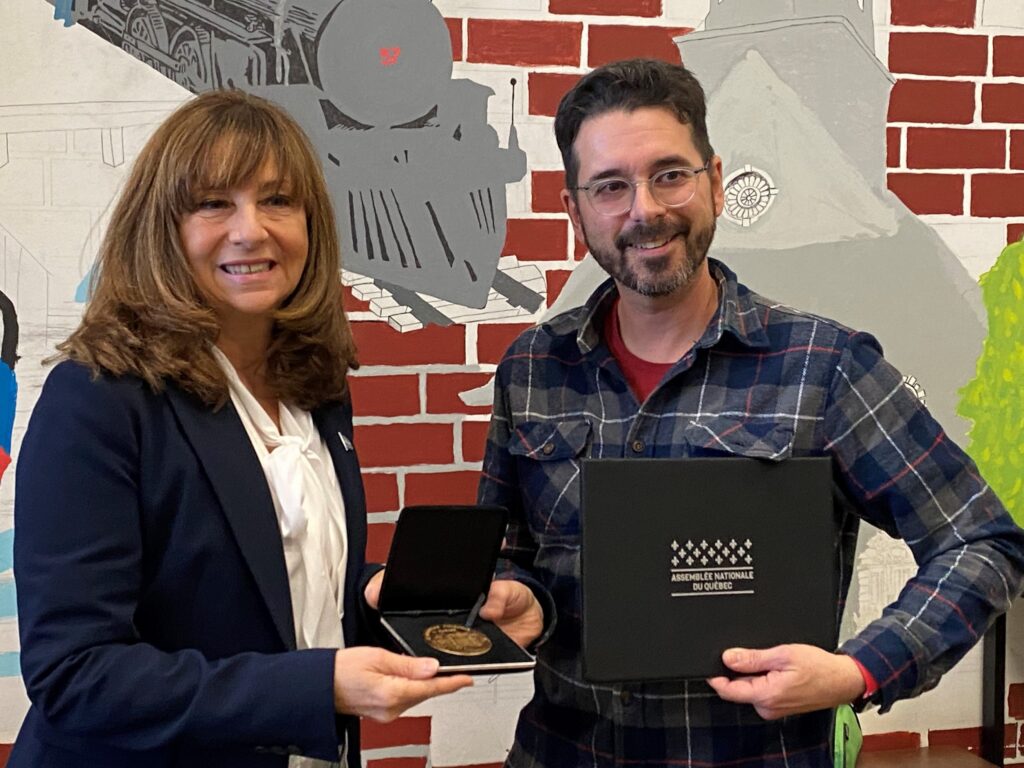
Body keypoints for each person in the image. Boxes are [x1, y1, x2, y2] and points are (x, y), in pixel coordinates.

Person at [477, 58, 1024, 767]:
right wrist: (519, 598)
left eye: (670, 174)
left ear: (714, 182)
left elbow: (981, 542)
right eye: (611, 186)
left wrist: (860, 670)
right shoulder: (532, 369)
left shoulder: (824, 366)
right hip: (560, 752)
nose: (644, 209)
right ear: (574, 208)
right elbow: (516, 560)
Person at [10, 90, 471, 768]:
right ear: (162, 226)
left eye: (278, 200)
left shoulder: (314, 382)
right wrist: (319, 686)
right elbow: (75, 673)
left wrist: (386, 597)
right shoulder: (97, 398)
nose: (251, 230)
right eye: (213, 203)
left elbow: (266, 587)